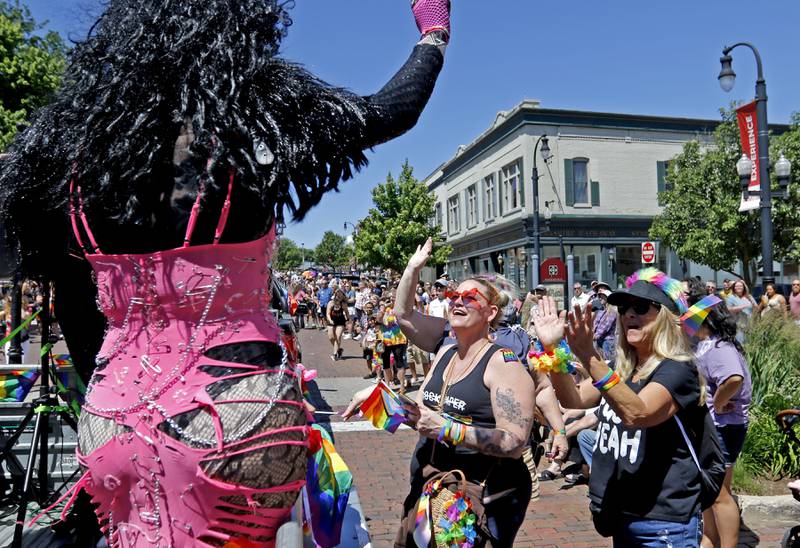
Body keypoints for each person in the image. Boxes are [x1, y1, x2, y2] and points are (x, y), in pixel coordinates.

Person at [0, 0, 453, 543]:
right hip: (237, 415)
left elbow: (75, 306)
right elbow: (390, 111)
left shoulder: (78, 156)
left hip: (113, 419)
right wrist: (433, 34)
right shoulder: (254, 120)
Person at [344, 276, 536, 547]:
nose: (458, 301)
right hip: (431, 486)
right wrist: (380, 396)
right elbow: (423, 416)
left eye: (469, 297)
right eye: (454, 295)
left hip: (479, 495)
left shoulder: (504, 364)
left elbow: (514, 442)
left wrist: (449, 429)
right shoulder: (446, 353)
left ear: (491, 312)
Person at [536, 268, 710, 545]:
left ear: (665, 317)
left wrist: (588, 355)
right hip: (623, 512)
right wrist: (552, 349)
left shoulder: (678, 369)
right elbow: (574, 400)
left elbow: (637, 413)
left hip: (663, 520)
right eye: (624, 308)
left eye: (641, 307)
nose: (629, 314)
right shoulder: (622, 368)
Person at [694, 303, 752, 548]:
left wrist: (718, 403)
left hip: (724, 426)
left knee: (718, 493)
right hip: (719, 425)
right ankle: (710, 538)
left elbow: (733, 378)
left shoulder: (720, 347)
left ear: (706, 321)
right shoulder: (710, 344)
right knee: (712, 490)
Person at [592, 289, 617, 362]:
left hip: (607, 341)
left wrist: (594, 336)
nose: (600, 298)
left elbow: (605, 327)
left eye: (602, 297)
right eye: (599, 297)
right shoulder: (601, 310)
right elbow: (595, 324)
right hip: (599, 340)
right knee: (601, 361)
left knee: (608, 362)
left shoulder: (613, 310)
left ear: (608, 298)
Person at [327, 289, 349, 361]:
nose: (339, 297)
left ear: (343, 296)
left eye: (341, 295)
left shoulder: (343, 304)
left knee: (338, 336)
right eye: (337, 295)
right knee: (331, 338)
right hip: (331, 321)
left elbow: (346, 312)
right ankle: (339, 349)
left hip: (340, 321)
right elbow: (328, 313)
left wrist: (347, 319)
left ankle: (335, 354)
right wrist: (330, 320)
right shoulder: (331, 303)